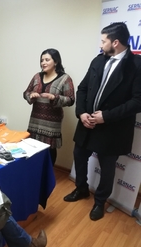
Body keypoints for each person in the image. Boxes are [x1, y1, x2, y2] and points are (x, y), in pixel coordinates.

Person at [64, 22, 141, 221]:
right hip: (87, 122)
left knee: (107, 168)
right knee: (79, 156)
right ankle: (81, 189)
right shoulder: (98, 61)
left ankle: (99, 202)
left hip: (113, 128)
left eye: (103, 41)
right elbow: (82, 89)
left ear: (115, 42)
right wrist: (81, 113)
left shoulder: (136, 65)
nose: (100, 45)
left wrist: (106, 116)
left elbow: (137, 101)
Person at [23, 48, 75, 165]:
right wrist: (31, 95)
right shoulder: (37, 76)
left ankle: (48, 176)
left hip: (51, 123)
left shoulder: (65, 78)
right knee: (32, 147)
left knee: (49, 150)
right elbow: (25, 93)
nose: (43, 63)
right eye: (42, 60)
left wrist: (54, 97)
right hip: (35, 121)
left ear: (55, 62)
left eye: (47, 60)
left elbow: (70, 100)